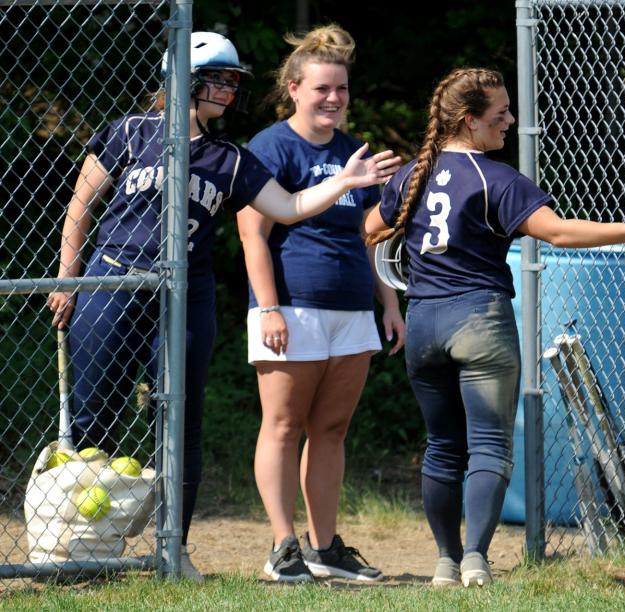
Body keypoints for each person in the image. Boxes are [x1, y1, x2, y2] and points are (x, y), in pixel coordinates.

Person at [45, 31, 401, 582]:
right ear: (183, 80)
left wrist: (345, 184)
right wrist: (67, 278)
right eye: (220, 79)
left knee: (180, 420)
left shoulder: (228, 157)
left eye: (236, 80)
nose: (231, 90)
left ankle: (172, 550)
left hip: (189, 291)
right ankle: (82, 551)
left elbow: (287, 207)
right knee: (96, 412)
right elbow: (80, 205)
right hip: (112, 281)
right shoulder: (131, 132)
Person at [364, 67, 625, 587]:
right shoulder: (496, 178)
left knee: (443, 445)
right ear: (470, 121)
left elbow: (373, 229)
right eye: (500, 113)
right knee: (488, 445)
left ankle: (444, 560)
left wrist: (401, 277)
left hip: (423, 321)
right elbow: (556, 232)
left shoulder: (411, 175)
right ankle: (474, 560)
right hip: (479, 320)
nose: (510, 120)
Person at [237, 24, 403, 584]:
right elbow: (252, 234)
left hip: (353, 308)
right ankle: (283, 547)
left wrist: (389, 304)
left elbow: (368, 233)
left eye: (342, 89)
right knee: (283, 426)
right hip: (292, 306)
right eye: (321, 89)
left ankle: (323, 547)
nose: (333, 99)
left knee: (330, 429)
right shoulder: (270, 147)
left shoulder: (352, 152)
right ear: (293, 89)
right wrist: (269, 308)